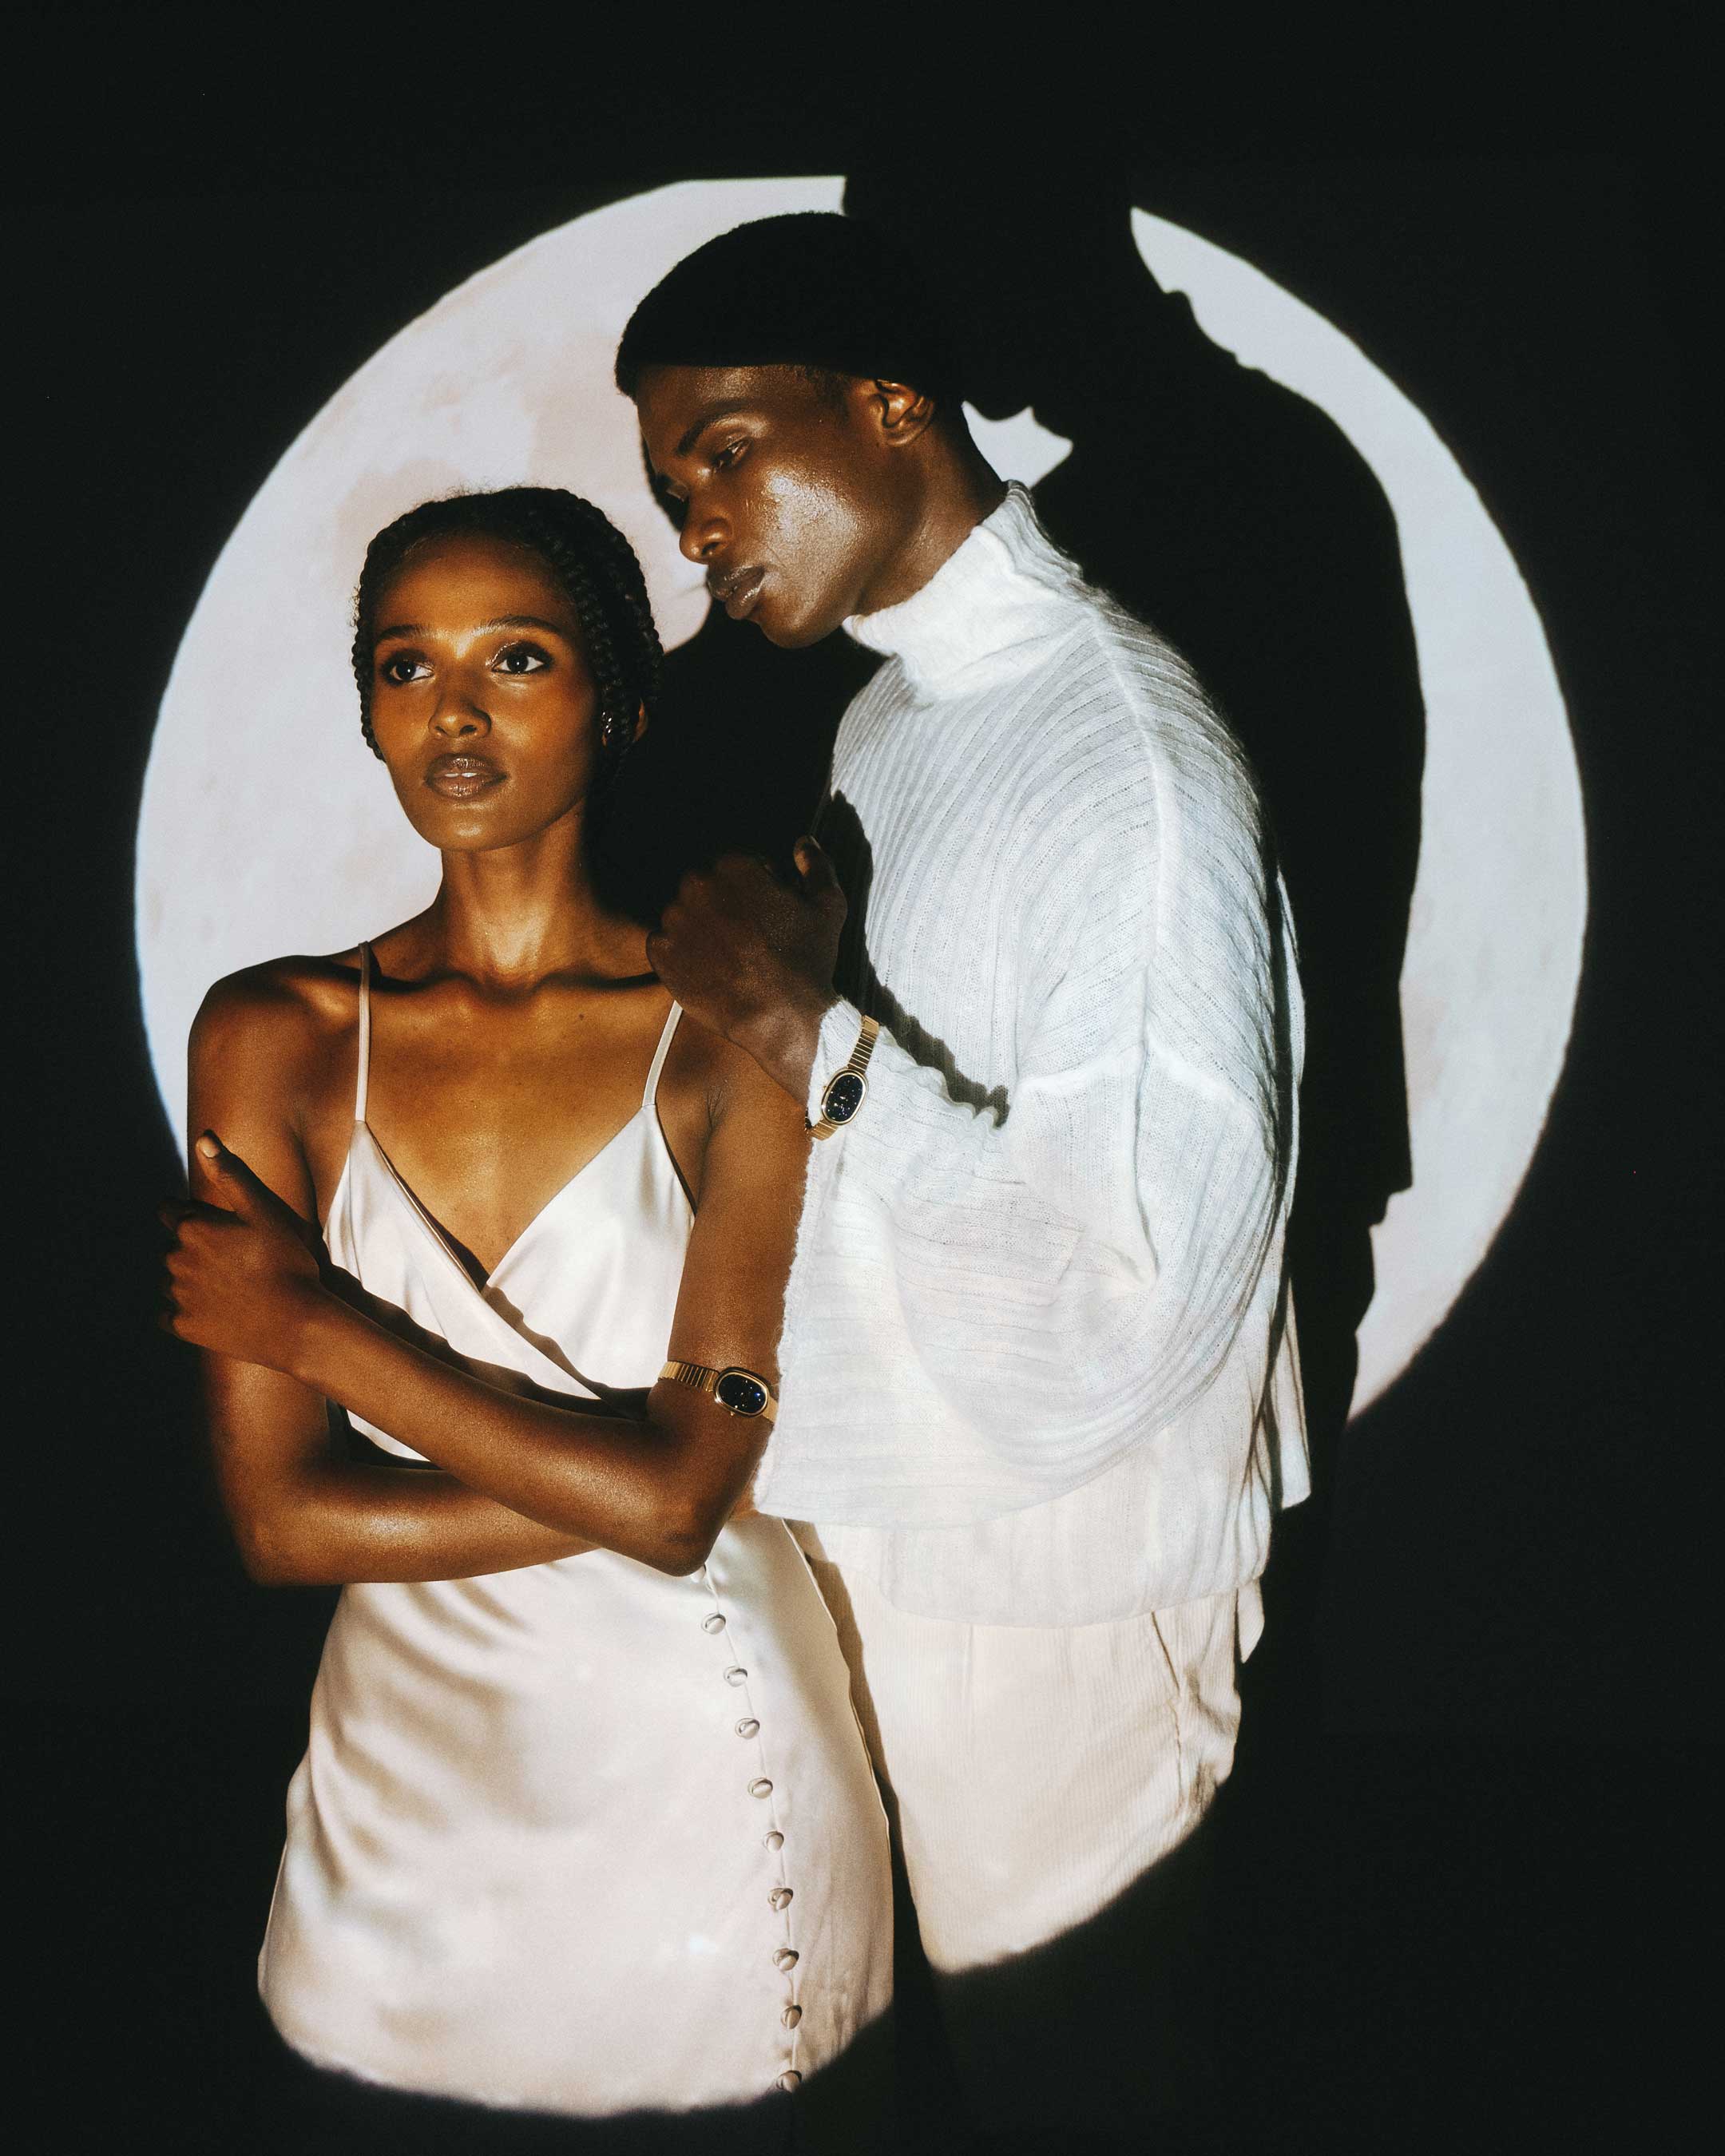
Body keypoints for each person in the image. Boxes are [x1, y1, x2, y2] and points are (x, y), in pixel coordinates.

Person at [613, 213, 1307, 2150]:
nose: (698, 527)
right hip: (900, 1537)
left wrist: (809, 1036)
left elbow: (1143, 1279)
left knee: (1078, 2095)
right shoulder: (892, 710)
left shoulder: (1125, 756)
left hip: (1056, 1588)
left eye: (725, 455)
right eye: (671, 494)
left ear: (893, 405)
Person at [159, 487, 892, 2150]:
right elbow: (280, 1523)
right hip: (400, 1799)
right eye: (406, 665)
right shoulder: (273, 1035)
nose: (455, 713)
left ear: (618, 703)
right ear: (366, 709)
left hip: (699, 1769)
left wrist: (322, 1332)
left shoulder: (726, 1026)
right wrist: (649, 1477)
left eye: (518, 658)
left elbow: (683, 1516)